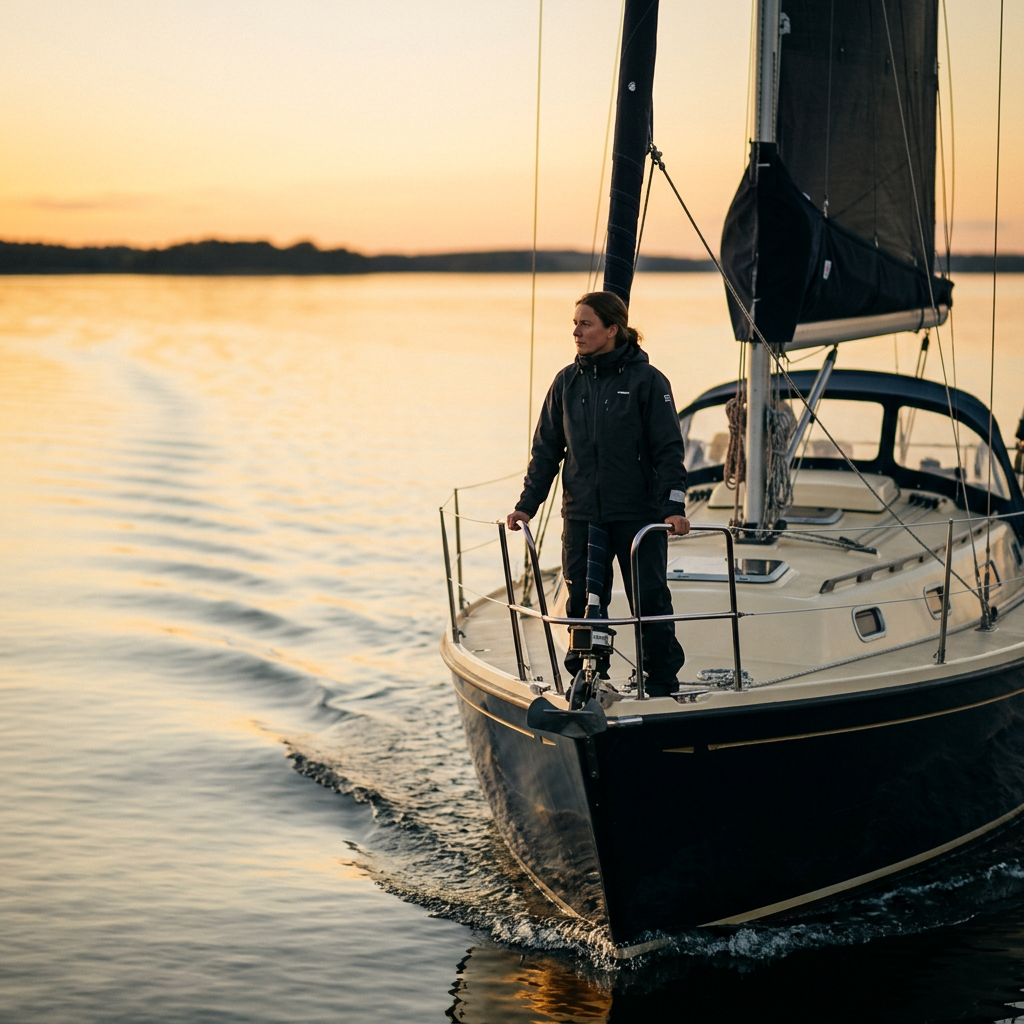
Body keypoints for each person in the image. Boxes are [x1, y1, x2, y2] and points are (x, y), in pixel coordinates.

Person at [506, 291, 688, 697]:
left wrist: (674, 506)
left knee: (651, 599)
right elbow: (546, 451)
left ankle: (661, 680)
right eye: (575, 323)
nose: (576, 331)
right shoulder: (566, 382)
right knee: (583, 599)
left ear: (612, 329)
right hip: (583, 514)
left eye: (585, 323)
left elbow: (668, 450)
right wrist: (526, 505)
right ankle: (587, 675)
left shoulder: (648, 381)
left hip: (638, 515)